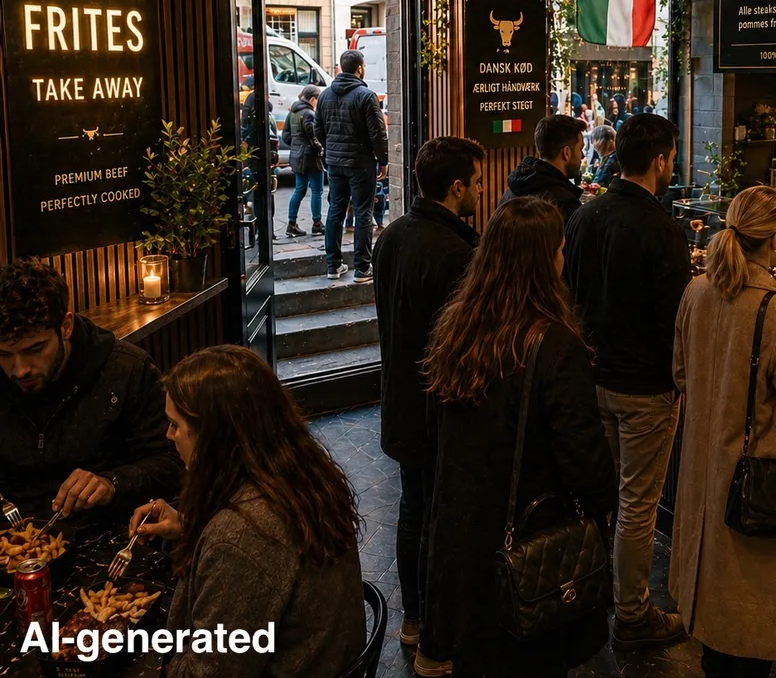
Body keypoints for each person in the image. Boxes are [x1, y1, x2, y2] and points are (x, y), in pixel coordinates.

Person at [424, 197, 617, 678]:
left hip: (465, 544)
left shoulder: (458, 329)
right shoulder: (555, 345)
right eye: (560, 249)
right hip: (529, 550)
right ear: (546, 260)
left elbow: (439, 436)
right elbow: (586, 465)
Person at [671, 186, 776, 677]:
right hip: (755, 488)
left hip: (703, 475)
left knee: (714, 632)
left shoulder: (696, 290)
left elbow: (680, 375)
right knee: (747, 638)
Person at [129, 346, 363, 678]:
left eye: (175, 425)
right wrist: (188, 525)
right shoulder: (301, 474)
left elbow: (211, 672)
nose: (169, 435)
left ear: (214, 437)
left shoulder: (242, 535)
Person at [564, 113, 691, 650]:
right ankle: (633, 615)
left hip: (593, 378)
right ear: (659, 160)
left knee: (603, 497)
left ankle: (594, 594)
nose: (672, 167)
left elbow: (570, 295)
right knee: (638, 507)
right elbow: (674, 322)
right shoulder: (663, 230)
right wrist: (682, 379)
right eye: (672, 158)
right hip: (644, 390)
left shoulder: (585, 216)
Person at [373, 136, 484, 674]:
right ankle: (437, 629)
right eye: (476, 183)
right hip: (439, 408)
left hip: (399, 399)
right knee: (441, 520)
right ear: (456, 187)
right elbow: (464, 346)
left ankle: (413, 619)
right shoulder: (456, 254)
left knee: (412, 510)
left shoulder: (391, 237)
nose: (480, 192)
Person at [0, 259, 182, 521]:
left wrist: (111, 483)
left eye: (35, 349)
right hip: (13, 535)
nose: (20, 370)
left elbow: (172, 462)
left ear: (66, 326)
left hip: (106, 531)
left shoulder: (126, 370)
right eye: (4, 355)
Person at [315, 48, 388, 284]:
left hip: (335, 163)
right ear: (359, 69)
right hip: (360, 163)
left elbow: (318, 130)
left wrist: (331, 149)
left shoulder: (324, 95)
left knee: (335, 210)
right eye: (363, 66)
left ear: (340, 68)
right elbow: (377, 133)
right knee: (363, 212)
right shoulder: (366, 96)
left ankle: (333, 265)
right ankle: (362, 268)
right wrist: (383, 160)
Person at [500, 114, 585, 224]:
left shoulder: (510, 192)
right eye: (580, 149)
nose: (582, 156)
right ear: (567, 153)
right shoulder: (565, 204)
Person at [283, 84, 325, 238]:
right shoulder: (309, 114)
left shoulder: (292, 112)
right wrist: (320, 149)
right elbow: (313, 137)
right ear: (313, 99)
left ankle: (291, 223)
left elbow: (285, 136)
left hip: (296, 156)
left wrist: (296, 146)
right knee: (317, 190)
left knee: (299, 190)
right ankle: (317, 223)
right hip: (310, 158)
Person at [589, 124, 619, 189]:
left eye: (593, 140)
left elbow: (600, 182)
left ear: (600, 141)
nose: (592, 144)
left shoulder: (612, 159)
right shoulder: (609, 156)